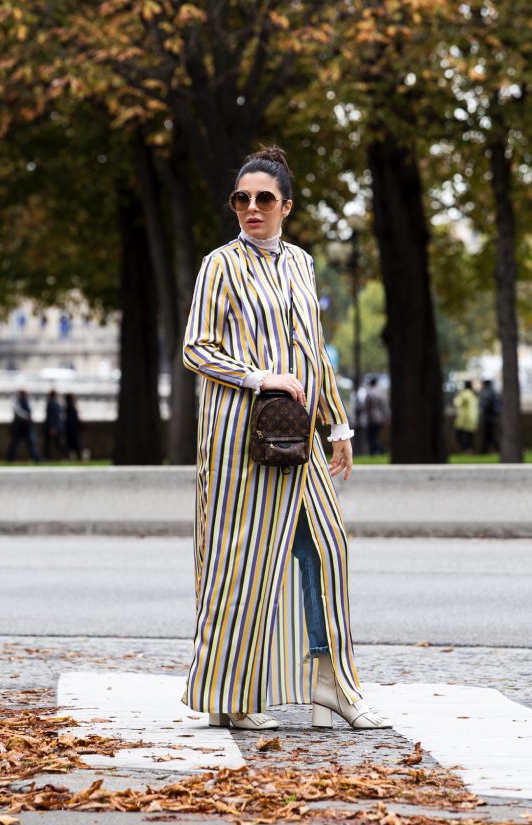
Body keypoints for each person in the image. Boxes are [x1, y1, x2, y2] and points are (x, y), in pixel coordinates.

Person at [181, 145, 391, 732]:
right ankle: (231, 693)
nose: (251, 207)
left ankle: (330, 681)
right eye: (241, 198)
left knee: (326, 548)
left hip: (298, 439)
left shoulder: (300, 263)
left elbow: (314, 351)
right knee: (239, 561)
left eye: (263, 199)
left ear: (286, 206)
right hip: (235, 439)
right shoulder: (218, 265)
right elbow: (196, 347)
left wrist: (338, 424)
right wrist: (259, 377)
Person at [6, 390, 41, 462]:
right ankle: (10, 458)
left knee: (31, 443)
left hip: (27, 426)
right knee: (15, 444)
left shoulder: (28, 401)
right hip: (20, 427)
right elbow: (17, 410)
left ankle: (36, 458)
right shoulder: (17, 401)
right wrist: (26, 416)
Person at [453, 380, 479, 454]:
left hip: (464, 419)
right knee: (469, 437)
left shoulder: (464, 394)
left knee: (459, 436)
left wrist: (457, 395)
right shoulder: (473, 394)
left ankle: (467, 450)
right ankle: (469, 451)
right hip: (473, 419)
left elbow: (457, 403)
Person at [365, 376, 388, 455]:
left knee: (371, 437)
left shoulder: (369, 393)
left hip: (372, 418)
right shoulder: (380, 393)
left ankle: (382, 450)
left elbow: (367, 407)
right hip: (380, 418)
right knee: (374, 436)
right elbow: (383, 406)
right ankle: (374, 452)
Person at [479, 379, 501, 454]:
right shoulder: (493, 392)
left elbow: (485, 405)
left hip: (489, 418)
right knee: (489, 435)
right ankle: (485, 450)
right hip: (492, 417)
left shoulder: (487, 392)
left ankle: (484, 450)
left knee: (489, 435)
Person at [44, 390, 64, 460]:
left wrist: (52, 428)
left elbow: (52, 416)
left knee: (53, 444)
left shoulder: (51, 404)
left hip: (52, 427)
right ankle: (48, 457)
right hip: (57, 427)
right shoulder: (57, 404)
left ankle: (65, 455)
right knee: (55, 444)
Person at [64, 393, 83, 460]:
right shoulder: (71, 408)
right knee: (76, 445)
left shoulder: (69, 408)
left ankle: (75, 457)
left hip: (72, 430)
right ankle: (77, 457)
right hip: (73, 430)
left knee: (73, 445)